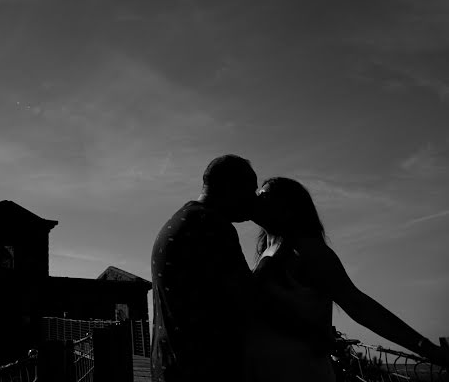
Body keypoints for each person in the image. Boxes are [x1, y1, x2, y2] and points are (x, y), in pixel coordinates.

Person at [246, 177, 449, 381]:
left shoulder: (308, 251)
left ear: (288, 207)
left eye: (264, 195)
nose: (255, 198)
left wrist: (426, 347)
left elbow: (358, 305)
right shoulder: (268, 253)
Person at [150, 154, 259, 382]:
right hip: (202, 368)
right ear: (230, 187)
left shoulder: (183, 219)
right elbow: (249, 298)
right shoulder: (211, 225)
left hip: (171, 367)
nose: (253, 200)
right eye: (250, 191)